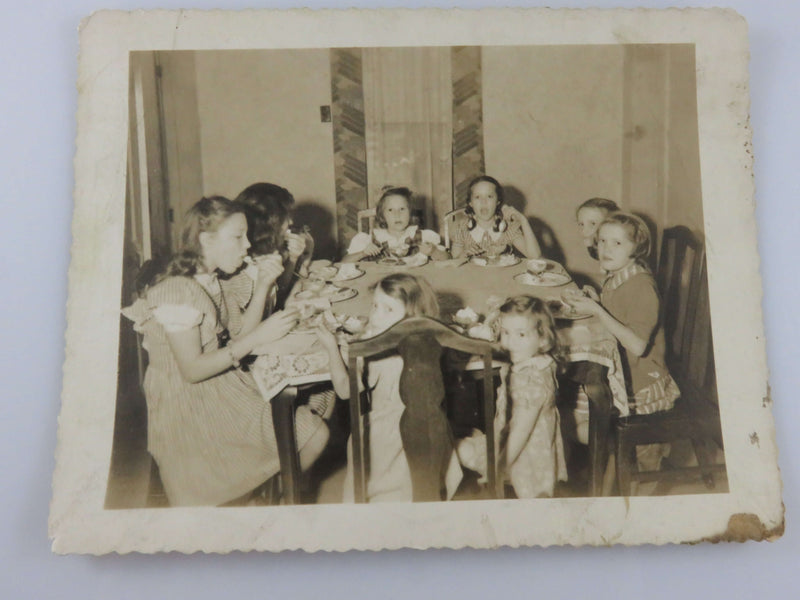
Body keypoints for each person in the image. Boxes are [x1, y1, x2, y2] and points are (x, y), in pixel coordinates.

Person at [121, 196, 330, 506]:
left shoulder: (209, 280)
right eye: (237, 237)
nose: (246, 245)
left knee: (318, 407)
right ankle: (269, 502)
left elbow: (240, 334)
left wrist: (262, 287)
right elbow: (192, 371)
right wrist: (260, 335)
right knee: (312, 433)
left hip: (217, 387)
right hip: (188, 406)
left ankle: (267, 498)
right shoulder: (177, 290)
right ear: (206, 240)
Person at [316, 273, 463, 502]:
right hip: (428, 428)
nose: (375, 315)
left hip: (386, 435)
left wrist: (331, 349)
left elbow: (345, 390)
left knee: (387, 494)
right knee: (417, 490)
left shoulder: (375, 350)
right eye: (375, 305)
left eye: (388, 310)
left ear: (412, 317)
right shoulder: (427, 340)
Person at [565, 212, 680, 493]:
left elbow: (639, 346)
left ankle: (639, 500)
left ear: (636, 248)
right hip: (622, 369)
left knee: (586, 430)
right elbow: (617, 312)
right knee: (577, 419)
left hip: (640, 380)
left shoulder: (641, 286)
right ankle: (610, 478)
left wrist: (598, 311)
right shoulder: (618, 276)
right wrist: (595, 301)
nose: (605, 249)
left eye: (617, 243)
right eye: (602, 241)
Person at [457, 296, 567, 498]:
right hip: (518, 442)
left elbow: (521, 432)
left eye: (521, 334)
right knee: (459, 446)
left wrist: (498, 467)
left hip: (526, 456)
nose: (510, 341)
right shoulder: (537, 361)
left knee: (531, 504)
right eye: (506, 333)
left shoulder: (531, 381)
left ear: (543, 339)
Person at [235, 182, 314, 309]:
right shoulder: (240, 266)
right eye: (285, 217)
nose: (291, 222)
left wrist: (293, 258)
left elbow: (279, 293)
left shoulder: (265, 252)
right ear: (270, 221)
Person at [341, 186, 449, 263]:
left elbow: (449, 259)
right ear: (382, 216)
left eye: (402, 209)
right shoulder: (370, 239)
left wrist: (434, 251)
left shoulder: (425, 236)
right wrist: (363, 253)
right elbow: (343, 263)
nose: (397, 215)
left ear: (410, 213)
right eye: (390, 210)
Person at [449, 175, 541, 259]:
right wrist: (464, 254)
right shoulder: (462, 227)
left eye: (489, 196)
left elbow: (535, 256)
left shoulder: (508, 228)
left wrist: (523, 220)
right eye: (477, 197)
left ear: (498, 201)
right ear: (471, 203)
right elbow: (454, 262)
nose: (483, 201)